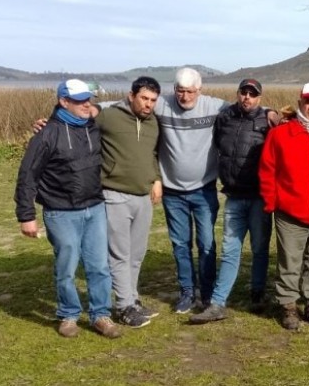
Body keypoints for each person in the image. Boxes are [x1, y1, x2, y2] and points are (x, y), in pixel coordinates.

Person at [15, 79, 122, 339]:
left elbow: (120, 108)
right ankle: (68, 315)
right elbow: (27, 175)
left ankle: (100, 315)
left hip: (95, 207)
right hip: (60, 212)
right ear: (64, 102)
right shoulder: (47, 134)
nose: (87, 104)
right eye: (80, 100)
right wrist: (26, 215)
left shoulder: (93, 127)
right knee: (67, 267)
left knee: (98, 266)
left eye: (89, 99)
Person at [189, 79, 274, 324]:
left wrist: (274, 114)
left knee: (259, 248)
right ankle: (218, 303)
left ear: (259, 97)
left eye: (253, 94)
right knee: (230, 251)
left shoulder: (267, 121)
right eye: (243, 92)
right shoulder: (224, 117)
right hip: (234, 196)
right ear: (238, 94)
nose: (247, 97)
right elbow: (216, 146)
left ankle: (257, 293)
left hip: (258, 197)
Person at [259, 82, 309, 330]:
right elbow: (267, 170)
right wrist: (272, 202)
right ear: (300, 103)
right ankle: (288, 306)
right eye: (308, 101)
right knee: (289, 262)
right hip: (290, 212)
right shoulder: (280, 134)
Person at [154, 67, 228, 314]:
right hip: (172, 192)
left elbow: (245, 109)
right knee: (180, 244)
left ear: (200, 89)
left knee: (207, 243)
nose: (184, 97)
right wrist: (93, 108)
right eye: (180, 90)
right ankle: (186, 292)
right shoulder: (161, 105)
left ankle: (206, 294)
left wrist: (271, 114)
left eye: (189, 91)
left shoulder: (214, 107)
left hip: (204, 190)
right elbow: (126, 103)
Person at [95, 76, 163, 328]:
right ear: (131, 95)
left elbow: (151, 155)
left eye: (153, 100)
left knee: (136, 254)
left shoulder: (153, 123)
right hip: (114, 194)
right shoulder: (109, 116)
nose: (148, 104)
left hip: (142, 196)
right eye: (144, 98)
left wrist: (156, 178)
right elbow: (79, 116)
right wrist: (47, 123)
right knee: (119, 253)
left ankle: (132, 299)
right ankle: (123, 306)